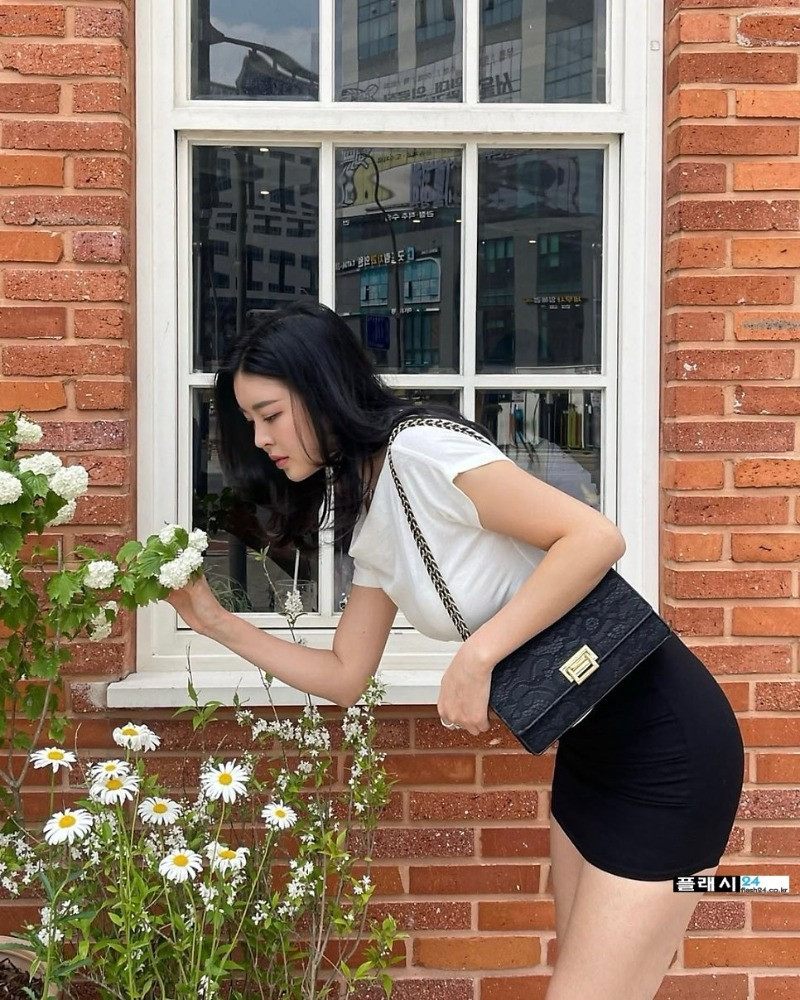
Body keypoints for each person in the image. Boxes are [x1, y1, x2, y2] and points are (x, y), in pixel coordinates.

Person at [167, 301, 744, 1000]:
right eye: (249, 422)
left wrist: (476, 658)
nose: (260, 439)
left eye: (270, 415)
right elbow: (345, 676)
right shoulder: (371, 502)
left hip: (667, 745)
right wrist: (213, 622)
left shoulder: (422, 451)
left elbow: (594, 538)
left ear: (321, 391)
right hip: (591, 754)